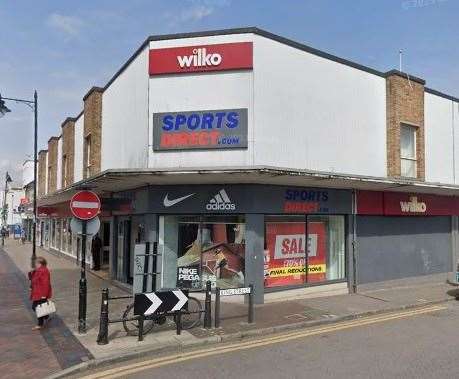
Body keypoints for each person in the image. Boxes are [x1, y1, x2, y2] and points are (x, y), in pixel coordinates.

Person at [28, 257, 52, 330]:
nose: (35, 264)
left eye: (36, 263)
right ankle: (46, 316)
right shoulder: (38, 270)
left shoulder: (44, 271)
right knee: (39, 307)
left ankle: (40, 324)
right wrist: (31, 272)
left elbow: (46, 283)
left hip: (41, 293)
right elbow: (33, 279)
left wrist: (44, 295)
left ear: (40, 263)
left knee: (37, 308)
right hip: (37, 292)